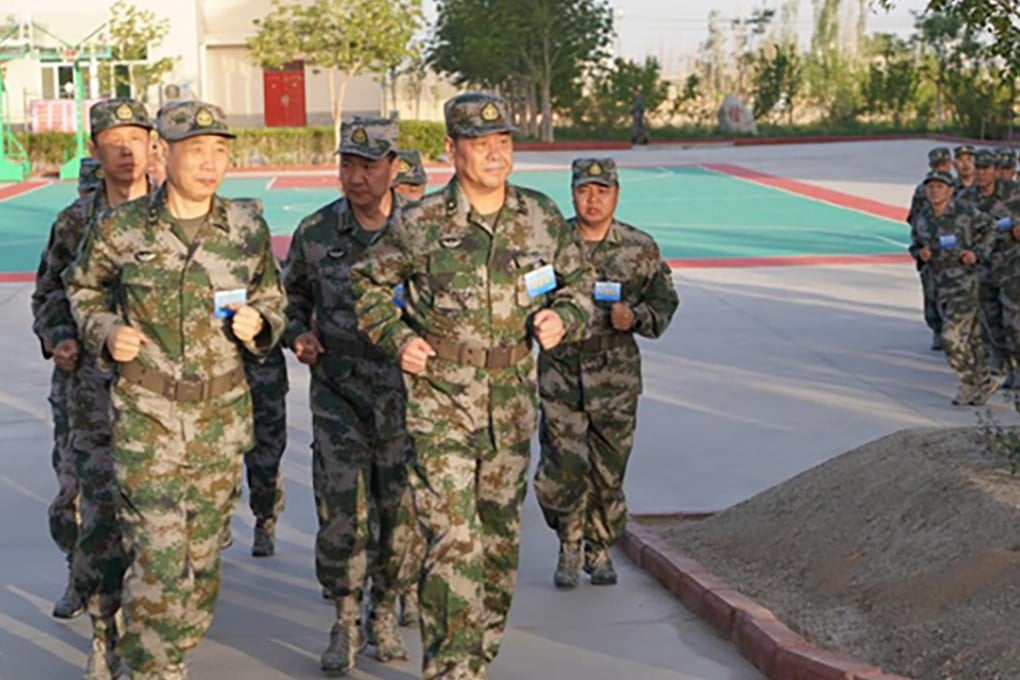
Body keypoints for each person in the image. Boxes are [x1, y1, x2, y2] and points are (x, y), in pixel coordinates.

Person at [351, 91, 594, 680]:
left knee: (496, 546)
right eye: (480, 144)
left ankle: (476, 658)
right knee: (452, 540)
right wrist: (397, 338)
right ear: (451, 150)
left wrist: (567, 315)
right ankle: (450, 669)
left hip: (510, 404)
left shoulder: (539, 216)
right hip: (440, 404)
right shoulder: (421, 222)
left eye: (503, 142)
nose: (494, 154)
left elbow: (580, 280)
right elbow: (366, 284)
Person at [65, 100, 286, 680]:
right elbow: (81, 291)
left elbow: (272, 295)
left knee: (200, 558)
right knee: (159, 559)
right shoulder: (122, 227)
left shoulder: (245, 227)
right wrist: (106, 329)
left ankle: (162, 650)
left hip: (220, 417)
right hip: (148, 415)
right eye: (196, 151)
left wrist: (261, 321)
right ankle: (152, 668)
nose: (210, 164)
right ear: (164, 155)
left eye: (220, 151)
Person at [282, 117, 416, 674]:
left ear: (393, 168)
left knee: (399, 513)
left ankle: (384, 609)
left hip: (404, 393)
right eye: (347, 164)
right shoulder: (316, 233)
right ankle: (344, 619)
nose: (356, 177)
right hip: (337, 391)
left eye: (368, 165)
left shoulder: (421, 231)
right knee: (340, 512)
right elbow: (289, 302)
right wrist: (299, 336)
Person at [533, 158, 679, 589]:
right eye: (584, 190)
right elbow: (526, 293)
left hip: (614, 378)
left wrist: (633, 316)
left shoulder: (638, 247)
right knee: (561, 468)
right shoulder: (550, 243)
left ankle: (599, 549)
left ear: (616, 193)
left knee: (608, 471)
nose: (593, 199)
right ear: (572, 192)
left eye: (602, 190)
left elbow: (664, 304)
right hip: (561, 374)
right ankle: (569, 544)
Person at [908, 169, 994, 405]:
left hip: (963, 284)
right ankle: (983, 381)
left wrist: (976, 253)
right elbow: (914, 243)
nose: (934, 191)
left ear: (951, 190)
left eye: (940, 187)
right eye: (931, 186)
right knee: (972, 338)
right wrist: (920, 253)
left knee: (950, 337)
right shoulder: (923, 217)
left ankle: (968, 382)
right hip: (937, 285)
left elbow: (990, 228)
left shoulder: (964, 213)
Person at [907, 147, 954, 351]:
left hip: (952, 251)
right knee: (932, 294)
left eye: (943, 164)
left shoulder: (956, 187)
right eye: (936, 165)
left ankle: (952, 332)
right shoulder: (922, 190)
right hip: (929, 248)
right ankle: (937, 329)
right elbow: (914, 218)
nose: (941, 168)